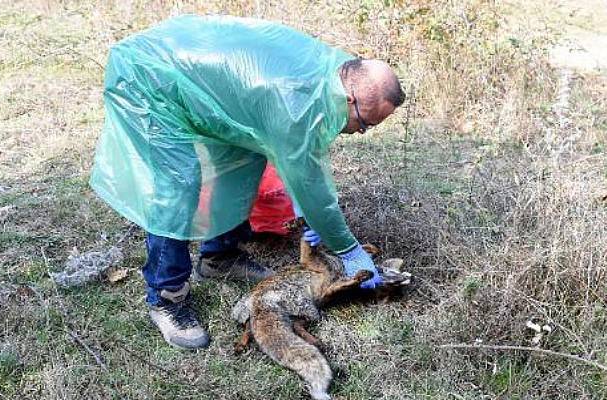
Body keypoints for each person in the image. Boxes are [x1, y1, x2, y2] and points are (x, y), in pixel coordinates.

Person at [90, 15, 406, 349]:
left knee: (244, 159)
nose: (360, 133)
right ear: (351, 98)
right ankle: (165, 298)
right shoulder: (296, 103)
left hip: (198, 78)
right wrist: (348, 248)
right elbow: (311, 182)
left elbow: (293, 156)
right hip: (147, 78)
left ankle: (218, 257)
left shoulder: (333, 76)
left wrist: (303, 189)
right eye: (365, 124)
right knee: (178, 186)